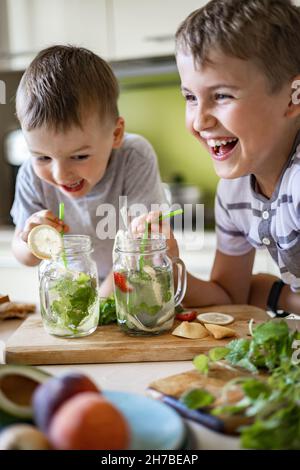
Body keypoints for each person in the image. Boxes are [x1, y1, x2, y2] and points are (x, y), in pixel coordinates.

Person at [133, 0, 300, 315]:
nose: (199, 121)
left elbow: (252, 294)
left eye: (222, 96)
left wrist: (276, 295)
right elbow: (229, 297)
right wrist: (169, 266)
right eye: (190, 98)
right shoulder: (235, 192)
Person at [11, 45, 166, 295]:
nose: (61, 175)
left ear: (115, 134)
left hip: (131, 289)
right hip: (69, 294)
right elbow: (23, 256)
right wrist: (31, 240)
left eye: (80, 156)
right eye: (42, 157)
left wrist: (97, 304)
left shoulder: (134, 156)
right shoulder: (30, 173)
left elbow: (144, 247)